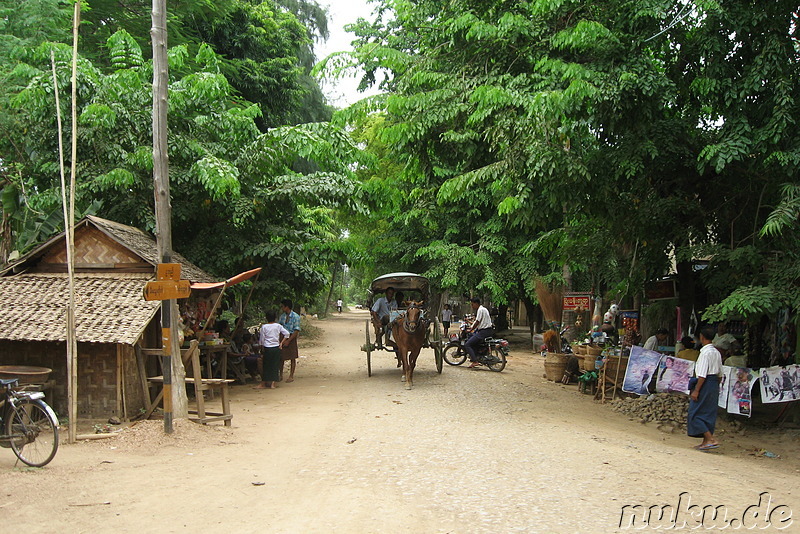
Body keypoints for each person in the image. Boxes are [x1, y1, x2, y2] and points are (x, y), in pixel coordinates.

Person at [687, 326, 722, 451]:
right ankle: (706, 441)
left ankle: (710, 438)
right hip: (713, 383)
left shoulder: (705, 353)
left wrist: (697, 390)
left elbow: (702, 375)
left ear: (702, 337)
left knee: (695, 412)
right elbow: (720, 375)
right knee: (708, 412)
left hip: (705, 383)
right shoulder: (717, 353)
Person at [255, 310, 288, 389]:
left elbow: (262, 339)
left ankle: (263, 383)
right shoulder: (278, 326)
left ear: (266, 318)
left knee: (266, 366)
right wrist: (281, 343)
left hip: (267, 348)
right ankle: (273, 383)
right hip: (276, 348)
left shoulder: (264, 327)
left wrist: (261, 347)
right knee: (275, 365)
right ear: (275, 318)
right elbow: (287, 334)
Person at [465, 298, 494, 368]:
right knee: (474, 341)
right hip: (488, 331)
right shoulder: (484, 309)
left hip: (483, 332)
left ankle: (475, 361)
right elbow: (477, 322)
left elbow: (477, 322)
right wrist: (471, 327)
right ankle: (477, 356)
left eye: (472, 304)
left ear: (476, 303)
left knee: (467, 344)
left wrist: (471, 329)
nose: (472, 306)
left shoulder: (480, 310)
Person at [279, 299, 301, 383]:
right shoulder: (282, 316)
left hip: (291, 337)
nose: (281, 308)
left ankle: (291, 375)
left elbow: (296, 330)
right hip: (283, 337)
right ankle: (280, 374)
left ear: (286, 307)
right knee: (281, 357)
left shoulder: (295, 317)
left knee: (292, 357)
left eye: (282, 306)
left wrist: (289, 340)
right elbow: (279, 326)